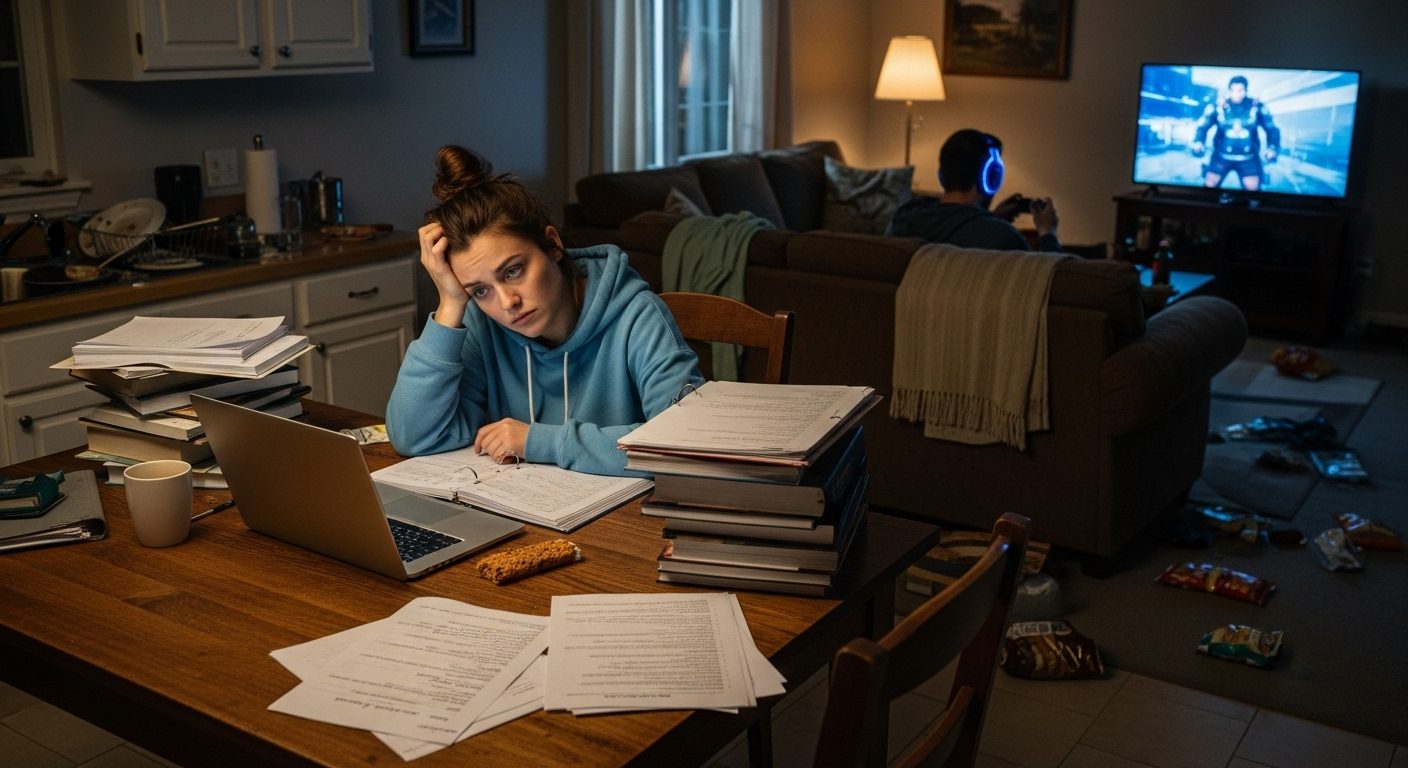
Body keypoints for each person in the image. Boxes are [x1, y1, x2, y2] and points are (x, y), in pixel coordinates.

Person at [385, 146, 704, 476]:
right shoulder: (480, 322)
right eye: (480, 290)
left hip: (623, 522)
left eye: (513, 271)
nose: (507, 302)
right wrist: (451, 304)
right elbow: (412, 437)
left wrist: (541, 441)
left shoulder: (638, 317)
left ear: (552, 245)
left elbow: (682, 449)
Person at [887, 129, 1061, 253]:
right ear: (991, 179)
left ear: (941, 176)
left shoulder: (902, 221)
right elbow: (1051, 284)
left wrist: (990, 217)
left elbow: (958, 223)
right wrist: (1047, 233)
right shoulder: (1003, 239)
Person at [1191, 75, 1281, 191]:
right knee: (1209, 188)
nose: (1237, 94)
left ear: (1245, 91)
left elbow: (1272, 129)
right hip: (1221, 156)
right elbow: (1202, 127)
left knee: (1253, 193)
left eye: (1240, 90)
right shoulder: (1219, 106)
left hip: (1248, 158)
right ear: (1229, 91)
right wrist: (1198, 142)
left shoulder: (1256, 106)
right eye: (1233, 90)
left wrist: (1272, 148)